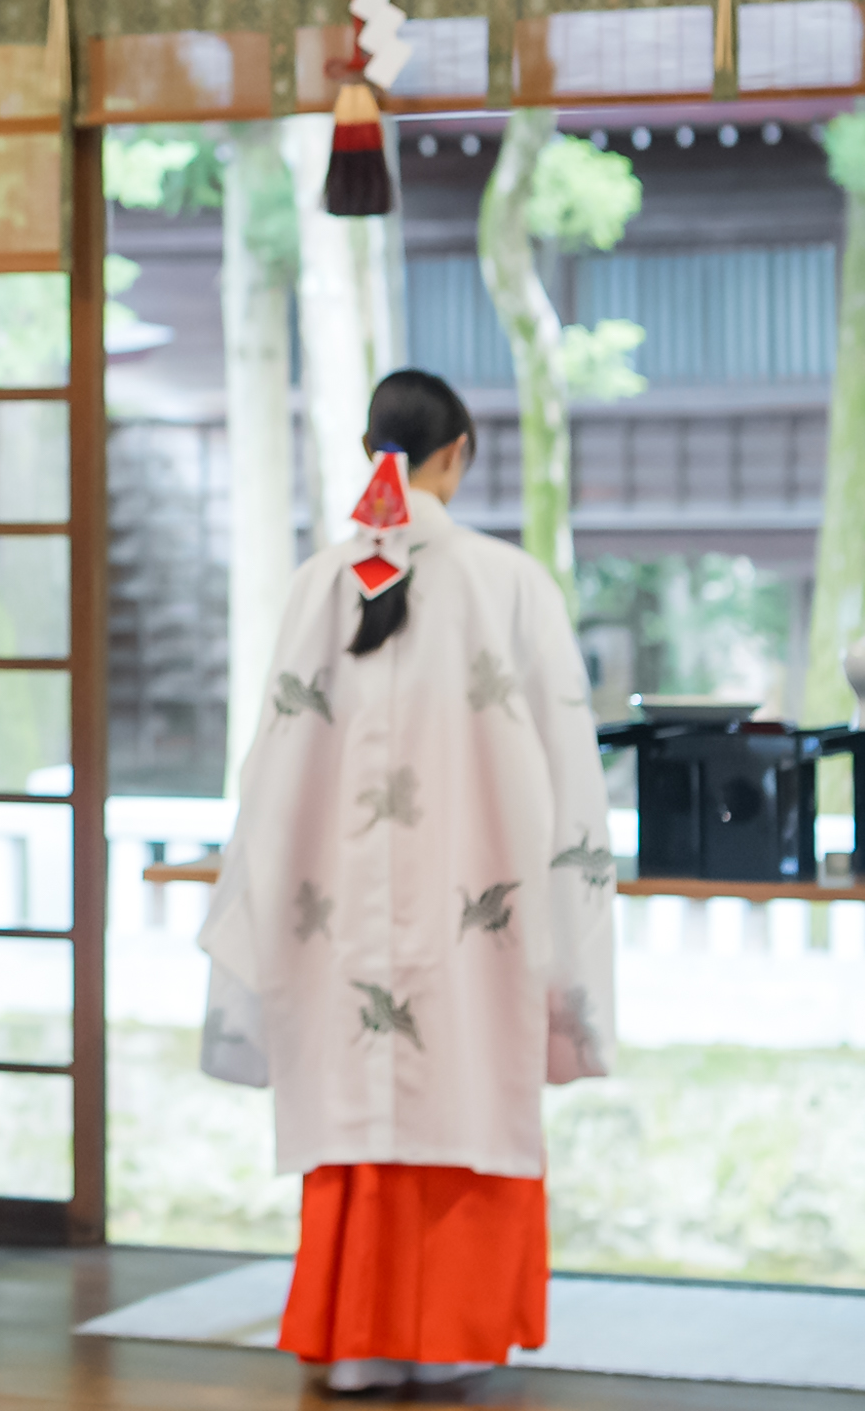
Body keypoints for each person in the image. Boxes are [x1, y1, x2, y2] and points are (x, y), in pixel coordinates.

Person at [195, 368, 617, 1394]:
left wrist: (278, 900)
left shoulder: (318, 582)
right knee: (471, 1086)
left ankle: (355, 1344)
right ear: (457, 453)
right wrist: (569, 933)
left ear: (372, 449)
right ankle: (450, 1341)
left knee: (356, 1099)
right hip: (482, 911)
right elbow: (567, 763)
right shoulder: (509, 581)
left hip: (340, 915)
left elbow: (274, 763)